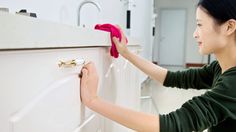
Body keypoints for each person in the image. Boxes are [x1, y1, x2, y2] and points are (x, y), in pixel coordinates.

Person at [79, 0, 236, 131]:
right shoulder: (219, 68)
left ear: (229, 27)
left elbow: (171, 125)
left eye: (200, 25)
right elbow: (171, 78)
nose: (195, 34)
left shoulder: (233, 83)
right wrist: (127, 53)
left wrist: (93, 100)